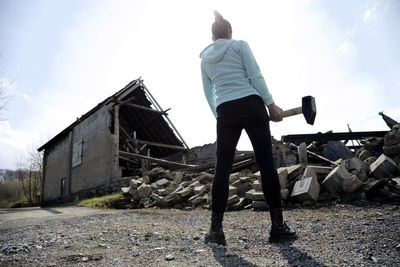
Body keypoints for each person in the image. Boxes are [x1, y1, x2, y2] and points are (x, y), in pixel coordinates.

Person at [200, 11, 297, 245]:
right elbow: (255, 75)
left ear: (213, 37)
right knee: (265, 163)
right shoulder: (240, 45)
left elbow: (209, 95)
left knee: (222, 168)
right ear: (229, 33)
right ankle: (277, 227)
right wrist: (271, 104)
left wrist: (222, 115)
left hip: (225, 111)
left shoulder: (204, 60)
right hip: (252, 105)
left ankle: (216, 231)